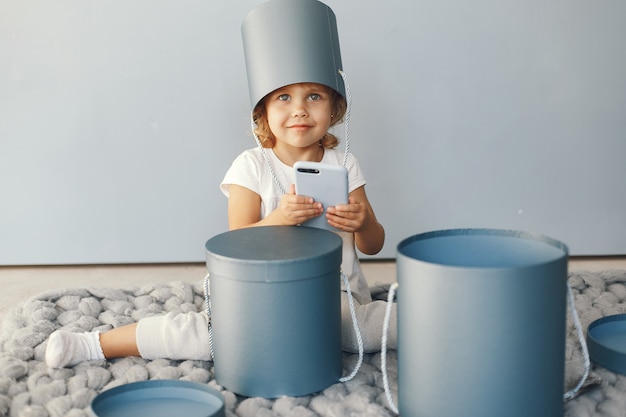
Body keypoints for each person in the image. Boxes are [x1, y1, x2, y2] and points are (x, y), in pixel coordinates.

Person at [45, 0, 397, 369]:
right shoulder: (250, 166)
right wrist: (280, 218)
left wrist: (363, 224)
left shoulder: (343, 164)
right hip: (263, 291)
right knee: (209, 336)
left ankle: (436, 318)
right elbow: (237, 245)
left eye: (314, 96)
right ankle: (93, 344)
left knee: (352, 329)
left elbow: (373, 245)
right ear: (262, 111)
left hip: (334, 296)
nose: (299, 109)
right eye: (283, 97)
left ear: (334, 106)